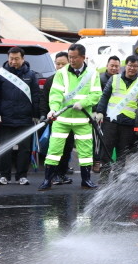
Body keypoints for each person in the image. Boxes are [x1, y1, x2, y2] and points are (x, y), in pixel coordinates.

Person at [38, 44, 102, 191]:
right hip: (62, 119)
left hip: (82, 120)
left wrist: (84, 103)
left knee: (85, 151)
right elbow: (55, 94)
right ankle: (48, 180)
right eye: (70, 57)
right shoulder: (62, 73)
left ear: (83, 57)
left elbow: (96, 94)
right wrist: (53, 109)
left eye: (74, 57)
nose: (71, 60)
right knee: (54, 150)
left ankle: (86, 180)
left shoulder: (93, 74)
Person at [0, 47, 40, 186]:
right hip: (6, 117)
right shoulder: (0, 74)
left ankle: (22, 176)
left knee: (24, 149)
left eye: (16, 59)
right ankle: (4, 175)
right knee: (5, 148)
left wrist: (36, 114)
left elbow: (36, 96)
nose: (13, 61)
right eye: (11, 58)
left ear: (23, 59)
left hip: (25, 118)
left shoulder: (31, 75)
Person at [95, 55, 138, 184]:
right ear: (126, 66)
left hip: (128, 123)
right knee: (106, 150)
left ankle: (117, 178)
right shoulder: (114, 79)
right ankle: (104, 177)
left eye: (135, 66)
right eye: (130, 65)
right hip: (110, 121)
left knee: (122, 152)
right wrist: (100, 112)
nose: (132, 68)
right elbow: (105, 97)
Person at [39, 51, 75, 186]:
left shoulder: (74, 80)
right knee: (54, 150)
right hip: (56, 121)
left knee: (67, 149)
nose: (60, 66)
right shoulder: (50, 80)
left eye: (63, 64)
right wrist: (44, 114)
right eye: (58, 64)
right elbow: (44, 100)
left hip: (71, 120)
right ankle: (52, 175)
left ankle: (62, 173)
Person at [94, 55, 121, 173]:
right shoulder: (100, 79)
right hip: (101, 115)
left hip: (115, 116)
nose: (114, 68)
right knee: (99, 141)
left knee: (112, 142)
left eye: (116, 66)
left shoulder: (121, 80)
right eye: (112, 66)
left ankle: (112, 164)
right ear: (107, 66)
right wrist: (97, 111)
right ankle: (97, 163)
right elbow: (96, 97)